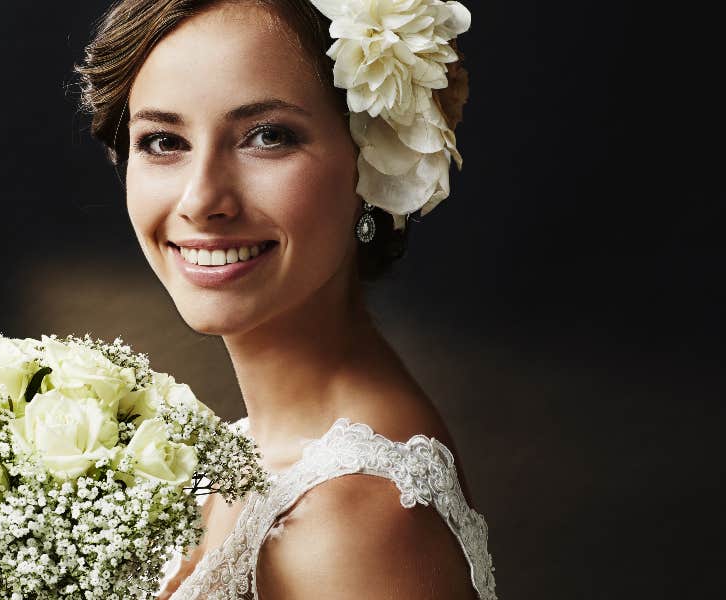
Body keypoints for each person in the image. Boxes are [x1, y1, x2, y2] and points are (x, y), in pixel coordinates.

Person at [75, 0, 496, 598]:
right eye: (164, 141)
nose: (201, 200)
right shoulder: (260, 450)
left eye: (267, 137)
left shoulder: (350, 518)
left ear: (373, 159)